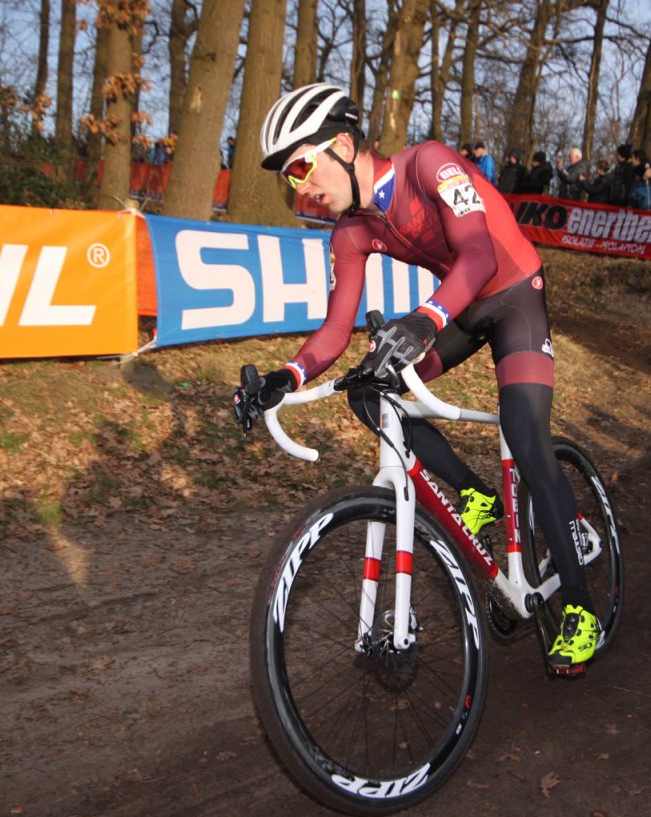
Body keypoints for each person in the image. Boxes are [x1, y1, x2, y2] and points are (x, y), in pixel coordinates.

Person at [238, 83, 603, 672]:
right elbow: (335, 332)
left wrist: (425, 320)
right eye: (287, 175)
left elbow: (480, 256)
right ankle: (478, 494)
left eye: (301, 165)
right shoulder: (351, 232)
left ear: (343, 144)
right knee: (368, 391)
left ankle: (580, 613)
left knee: (527, 435)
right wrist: (286, 377)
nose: (297, 186)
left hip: (513, 297)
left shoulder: (430, 163)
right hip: (458, 310)